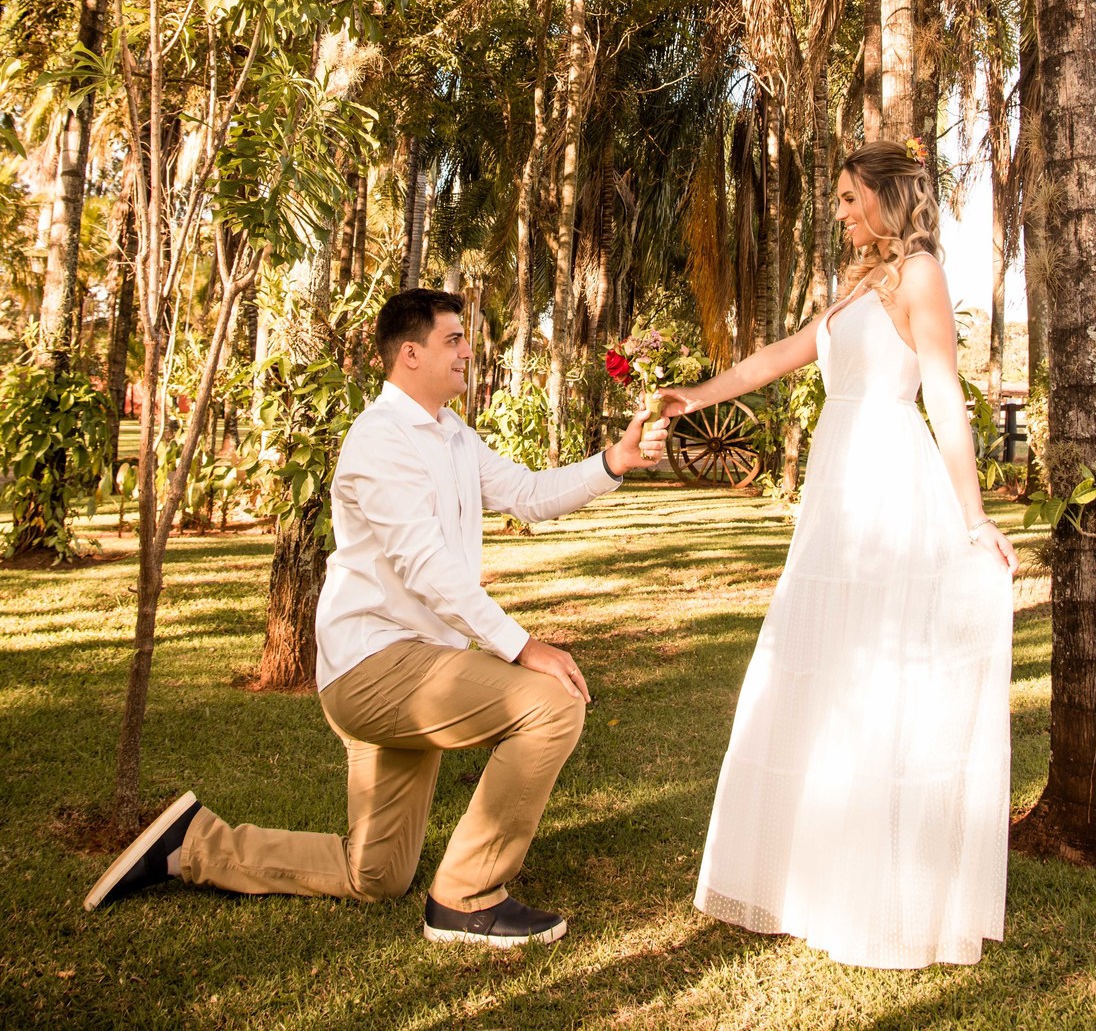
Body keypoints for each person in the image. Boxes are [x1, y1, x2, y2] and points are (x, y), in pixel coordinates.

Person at [84, 287, 667, 946]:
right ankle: (468, 896)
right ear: (410, 354)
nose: (468, 351)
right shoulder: (381, 440)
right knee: (551, 704)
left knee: (378, 873)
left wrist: (615, 461)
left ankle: (192, 845)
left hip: (412, 665)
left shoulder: (451, 434)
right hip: (374, 666)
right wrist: (521, 645)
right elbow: (425, 566)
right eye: (453, 340)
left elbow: (526, 492)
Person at [659, 141, 1017, 969]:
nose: (842, 212)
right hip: (837, 489)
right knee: (825, 668)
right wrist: (696, 396)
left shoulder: (919, 274)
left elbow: (943, 393)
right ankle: (812, 877)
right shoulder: (858, 282)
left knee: (876, 669)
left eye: (853, 198)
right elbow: (781, 357)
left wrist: (973, 519)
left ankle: (879, 887)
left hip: (888, 479)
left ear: (889, 198)